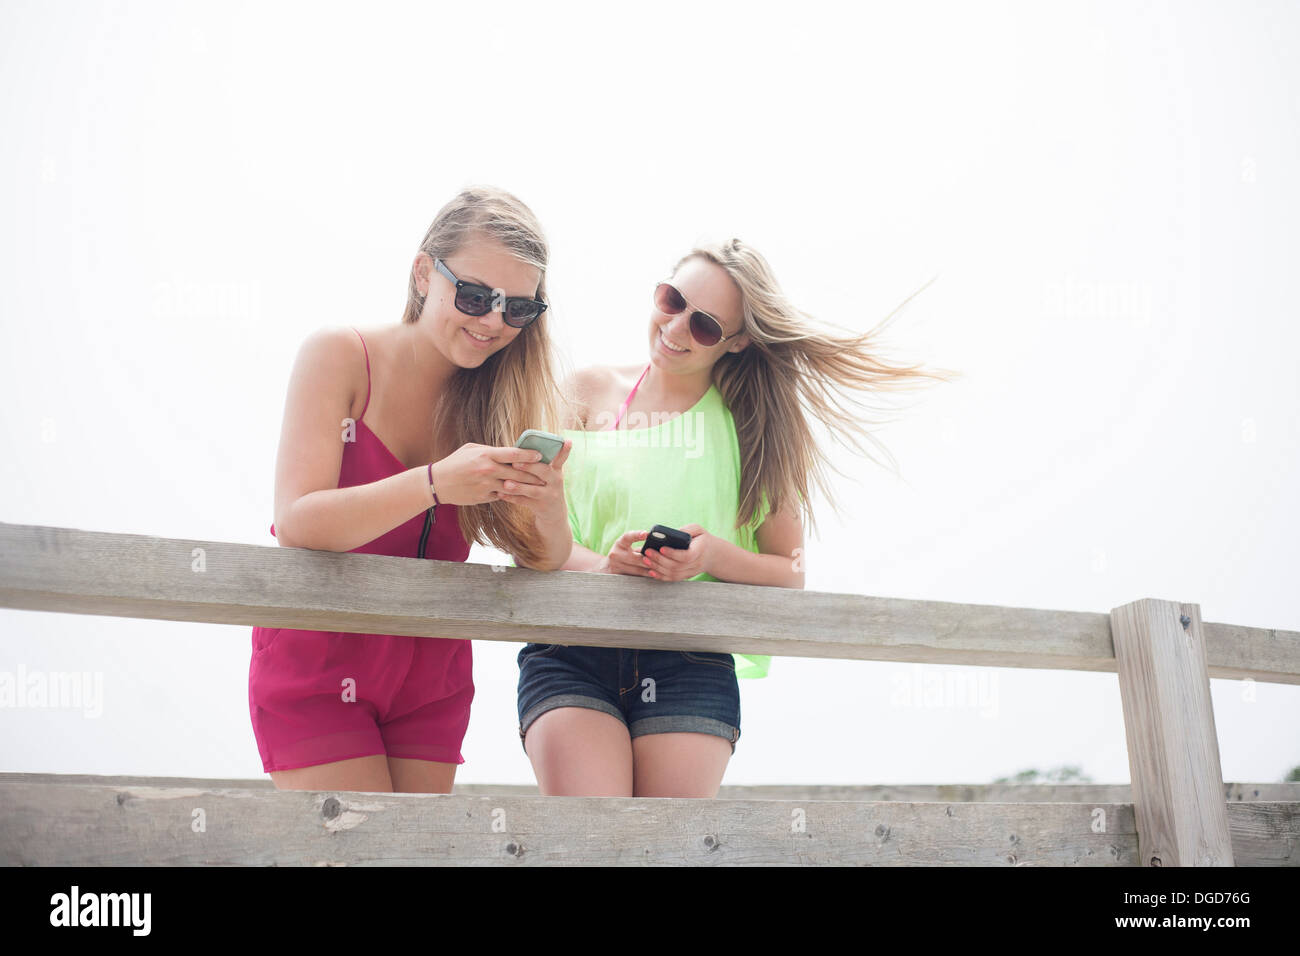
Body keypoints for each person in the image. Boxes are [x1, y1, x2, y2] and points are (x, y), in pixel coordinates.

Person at [517, 238, 955, 797]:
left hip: (690, 662)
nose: (675, 329)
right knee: (589, 843)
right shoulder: (582, 392)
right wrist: (607, 566)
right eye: (671, 300)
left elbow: (788, 572)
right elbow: (536, 537)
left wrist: (711, 555)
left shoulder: (755, 432)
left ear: (739, 341)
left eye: (704, 326)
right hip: (570, 650)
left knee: (664, 851)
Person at [250, 185, 573, 795]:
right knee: (358, 854)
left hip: (433, 675)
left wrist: (549, 506)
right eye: (475, 296)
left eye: (518, 309)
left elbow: (545, 558)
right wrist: (434, 483)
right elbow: (298, 520)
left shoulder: (498, 398)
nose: (492, 322)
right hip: (319, 665)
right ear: (425, 272)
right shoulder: (338, 354)